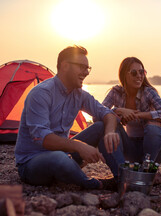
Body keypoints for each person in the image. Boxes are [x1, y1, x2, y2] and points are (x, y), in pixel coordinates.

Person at [15, 45, 122, 190]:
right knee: (58, 158)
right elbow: (43, 138)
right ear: (65, 66)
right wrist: (79, 146)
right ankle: (97, 184)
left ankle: (122, 178)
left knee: (101, 127)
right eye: (82, 67)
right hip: (32, 163)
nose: (86, 73)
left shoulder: (79, 94)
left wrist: (109, 132)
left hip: (64, 155)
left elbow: (108, 114)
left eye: (88, 68)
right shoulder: (41, 93)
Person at [102, 57, 161, 165]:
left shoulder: (148, 92)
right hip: (130, 147)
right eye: (134, 72)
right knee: (110, 125)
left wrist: (139, 115)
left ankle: (147, 171)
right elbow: (99, 113)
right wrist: (119, 110)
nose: (139, 76)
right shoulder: (116, 92)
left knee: (153, 125)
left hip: (154, 149)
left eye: (141, 72)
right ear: (124, 74)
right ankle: (120, 171)